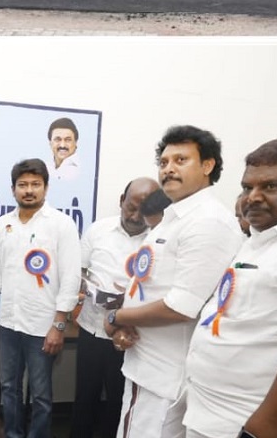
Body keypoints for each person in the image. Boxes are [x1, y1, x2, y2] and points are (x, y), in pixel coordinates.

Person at [103, 126, 243, 438]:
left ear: (207, 166)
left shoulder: (206, 221)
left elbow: (181, 307)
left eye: (181, 160)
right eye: (164, 162)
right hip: (148, 364)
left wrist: (117, 317)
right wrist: (125, 325)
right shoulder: (176, 217)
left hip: (166, 377)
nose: (169, 168)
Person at [184, 136, 277, 438]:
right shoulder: (264, 236)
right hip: (213, 420)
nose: (252, 197)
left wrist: (256, 433)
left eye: (270, 186)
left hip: (255, 429)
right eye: (248, 187)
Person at [0, 159, 80, 438]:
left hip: (43, 326)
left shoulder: (62, 224)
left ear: (46, 188)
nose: (29, 190)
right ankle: (12, 433)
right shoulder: (3, 224)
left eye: (35, 184)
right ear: (13, 189)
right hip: (9, 323)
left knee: (41, 394)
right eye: (22, 185)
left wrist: (59, 325)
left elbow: (71, 279)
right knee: (9, 387)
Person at [69, 177, 159, 438]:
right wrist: (85, 289)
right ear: (121, 200)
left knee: (120, 399)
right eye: (131, 206)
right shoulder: (98, 230)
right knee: (85, 395)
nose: (136, 215)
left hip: (131, 335)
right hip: (92, 328)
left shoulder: (157, 239)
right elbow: (79, 272)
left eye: (144, 210)